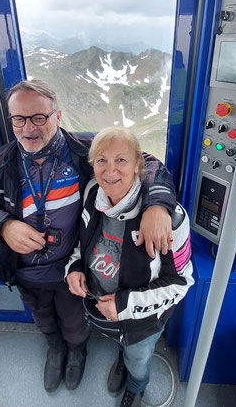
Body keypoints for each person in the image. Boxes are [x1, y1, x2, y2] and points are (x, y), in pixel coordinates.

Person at [0, 80, 177, 394]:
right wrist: (4, 226)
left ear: (58, 116)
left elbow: (146, 161)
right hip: (25, 271)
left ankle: (76, 351)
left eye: (38, 117)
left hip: (71, 267)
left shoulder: (83, 150)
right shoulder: (2, 162)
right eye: (19, 119)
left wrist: (158, 205)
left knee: (74, 320)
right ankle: (55, 349)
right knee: (42, 317)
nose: (28, 128)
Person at [66, 127, 194, 407]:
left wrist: (124, 305)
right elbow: (82, 241)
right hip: (103, 310)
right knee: (124, 348)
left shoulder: (169, 220)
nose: (110, 171)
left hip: (141, 323)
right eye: (102, 160)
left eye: (121, 160)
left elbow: (181, 284)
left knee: (138, 359)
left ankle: (137, 385)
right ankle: (122, 356)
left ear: (139, 165)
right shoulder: (92, 192)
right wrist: (74, 266)